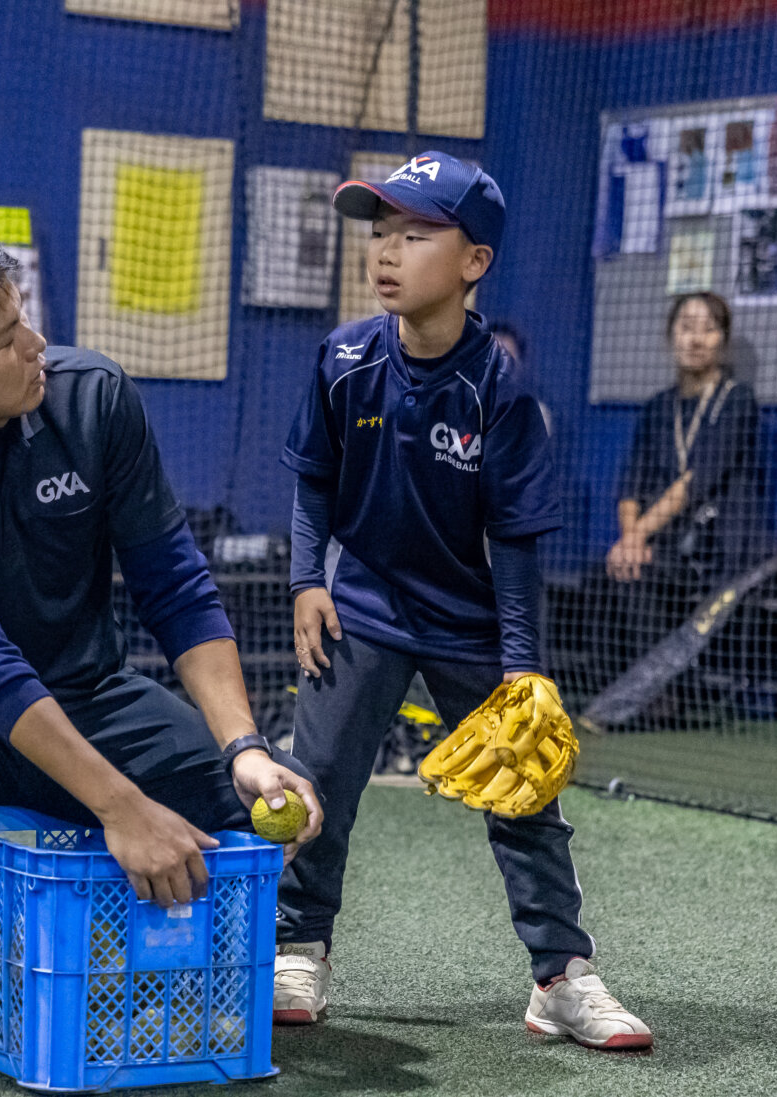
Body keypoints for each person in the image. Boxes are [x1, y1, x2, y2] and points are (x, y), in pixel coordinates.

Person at [0, 224, 323, 1078]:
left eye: (25, 316)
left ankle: (176, 961)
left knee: (268, 819)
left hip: (88, 699)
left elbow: (175, 583)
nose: (36, 343)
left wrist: (245, 747)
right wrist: (122, 807)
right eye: (6, 337)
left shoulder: (92, 398)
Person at [273, 151, 651, 1050]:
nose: (387, 252)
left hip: (471, 621)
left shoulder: (504, 390)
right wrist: (303, 581)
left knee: (525, 796)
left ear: (474, 262)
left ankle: (561, 976)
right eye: (379, 232)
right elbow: (313, 482)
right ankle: (298, 945)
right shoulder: (345, 358)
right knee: (316, 789)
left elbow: (516, 543)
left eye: (415, 233)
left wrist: (522, 672)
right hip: (358, 607)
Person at [601, 293, 764, 698]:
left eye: (708, 329)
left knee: (636, 572)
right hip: (662, 544)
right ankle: (617, 693)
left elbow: (696, 483)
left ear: (722, 341)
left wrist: (634, 539)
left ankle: (660, 698)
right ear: (670, 336)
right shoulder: (658, 407)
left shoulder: (737, 401)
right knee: (611, 574)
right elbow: (631, 484)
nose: (696, 338)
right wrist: (629, 540)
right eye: (686, 327)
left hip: (716, 551)